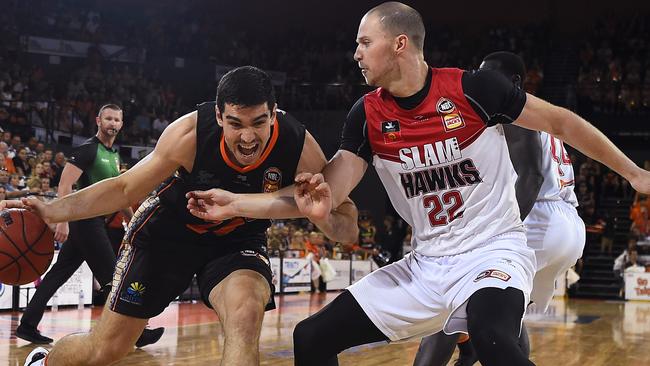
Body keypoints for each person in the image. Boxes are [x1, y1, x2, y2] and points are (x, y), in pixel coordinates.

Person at [185, 3, 650, 366]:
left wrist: (633, 173)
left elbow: (562, 122)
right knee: (310, 337)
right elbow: (321, 193)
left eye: (365, 42)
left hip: (494, 251)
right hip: (426, 264)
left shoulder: (474, 89)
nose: (356, 53)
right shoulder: (366, 115)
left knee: (492, 339)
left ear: (399, 44)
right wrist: (235, 204)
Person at [12, 66, 358, 366]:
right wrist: (52, 208)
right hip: (167, 234)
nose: (248, 137)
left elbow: (347, 224)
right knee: (107, 349)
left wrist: (323, 217)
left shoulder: (297, 145)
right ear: (219, 115)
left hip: (237, 241)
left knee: (246, 312)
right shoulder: (190, 133)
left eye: (259, 122)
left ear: (274, 113)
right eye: (235, 123)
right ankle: (45, 361)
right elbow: (123, 189)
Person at [413, 51, 587, 366]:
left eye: (490, 74)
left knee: (451, 298)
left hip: (538, 219)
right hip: (566, 225)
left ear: (515, 81)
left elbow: (531, 176)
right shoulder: (537, 111)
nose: (483, 82)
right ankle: (469, 359)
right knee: (503, 315)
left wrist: (496, 234)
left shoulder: (511, 109)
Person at [15, 104, 164, 348]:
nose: (112, 123)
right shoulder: (87, 150)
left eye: (117, 120)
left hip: (95, 222)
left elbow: (119, 196)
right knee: (114, 279)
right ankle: (136, 333)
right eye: (108, 118)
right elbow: (64, 186)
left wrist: (135, 218)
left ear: (121, 124)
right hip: (85, 221)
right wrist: (63, 220)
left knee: (57, 275)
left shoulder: (113, 155)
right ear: (98, 120)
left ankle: (27, 326)